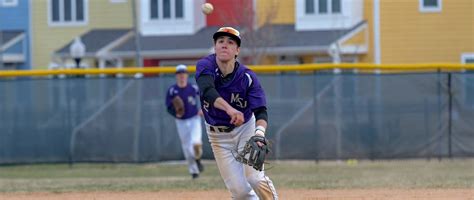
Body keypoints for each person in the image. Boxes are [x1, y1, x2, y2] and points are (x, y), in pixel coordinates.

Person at [195, 27, 278, 199]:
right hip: (218, 137)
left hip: (245, 130)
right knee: (240, 192)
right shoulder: (205, 66)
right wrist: (230, 109)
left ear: (237, 50)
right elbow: (208, 91)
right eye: (220, 41)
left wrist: (260, 134)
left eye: (230, 42)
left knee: (254, 178)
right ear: (215, 46)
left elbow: (261, 111)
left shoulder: (247, 77)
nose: (225, 45)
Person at [166, 64, 204, 179]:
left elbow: (205, 97)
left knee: (196, 142)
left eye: (184, 73)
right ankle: (194, 171)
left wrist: (203, 109)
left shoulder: (193, 88)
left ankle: (197, 158)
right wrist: (175, 113)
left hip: (194, 119)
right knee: (187, 148)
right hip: (181, 121)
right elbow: (168, 106)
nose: (182, 76)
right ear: (176, 76)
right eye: (179, 74)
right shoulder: (172, 90)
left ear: (187, 75)